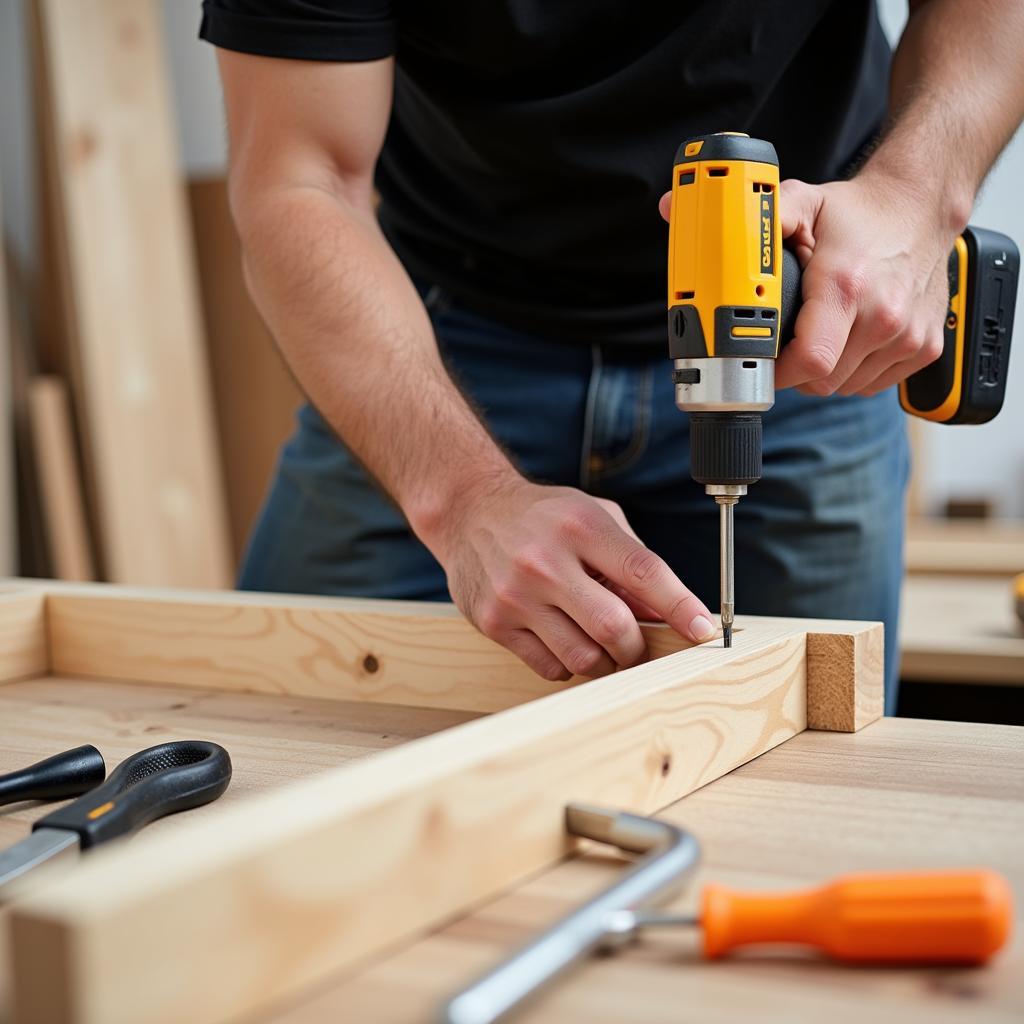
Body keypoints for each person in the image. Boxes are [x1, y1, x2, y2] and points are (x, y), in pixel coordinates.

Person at [200, 1, 1024, 714]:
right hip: (436, 344)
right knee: (272, 720)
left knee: (813, 764)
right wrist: (460, 499)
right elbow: (296, 178)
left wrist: (915, 195)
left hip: (801, 338)